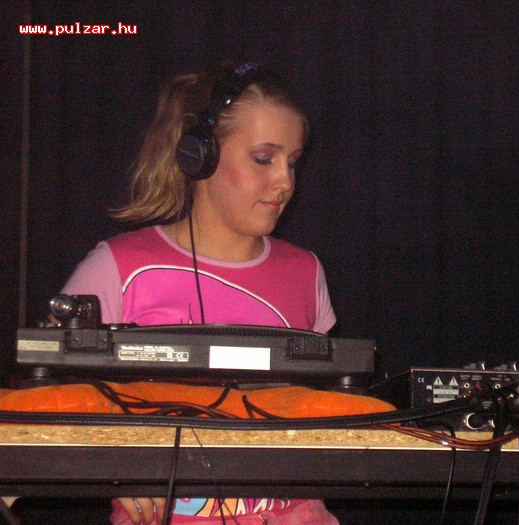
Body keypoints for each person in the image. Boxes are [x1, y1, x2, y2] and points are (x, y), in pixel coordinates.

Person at [57, 61, 340, 524]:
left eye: (292, 162)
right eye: (263, 159)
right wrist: (116, 466)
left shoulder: (305, 272)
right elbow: (48, 404)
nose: (285, 181)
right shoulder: (120, 267)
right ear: (199, 157)